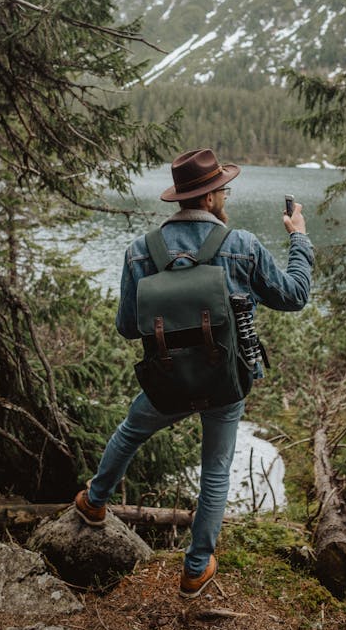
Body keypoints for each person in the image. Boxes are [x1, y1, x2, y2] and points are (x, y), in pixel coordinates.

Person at [75, 148, 314, 598]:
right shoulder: (241, 245)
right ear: (207, 199)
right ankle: (196, 567)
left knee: (130, 431)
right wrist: (298, 236)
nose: (225, 195)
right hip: (225, 382)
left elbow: (127, 327)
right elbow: (296, 295)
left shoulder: (139, 252)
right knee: (216, 471)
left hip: (166, 383)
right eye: (222, 189)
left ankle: (94, 501)